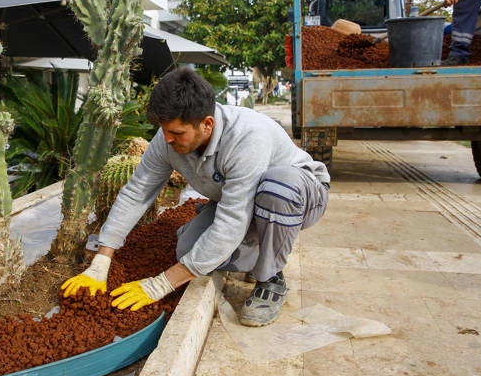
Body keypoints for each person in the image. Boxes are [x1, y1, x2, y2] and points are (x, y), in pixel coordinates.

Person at [61, 67, 330, 327]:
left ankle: (270, 276)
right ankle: (259, 250)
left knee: (276, 189)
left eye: (176, 133)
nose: (166, 139)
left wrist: (162, 283)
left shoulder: (247, 138)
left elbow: (232, 221)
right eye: (164, 130)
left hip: (300, 195)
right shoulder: (167, 138)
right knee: (189, 252)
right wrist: (103, 259)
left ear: (207, 124)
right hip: (243, 202)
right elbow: (137, 191)